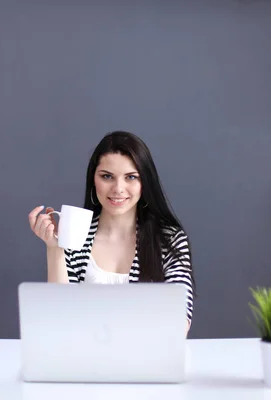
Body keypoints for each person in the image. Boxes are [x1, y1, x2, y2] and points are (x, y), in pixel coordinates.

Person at [28, 131, 195, 332]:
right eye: (107, 176)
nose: (118, 188)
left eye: (131, 177)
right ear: (93, 180)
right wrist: (55, 249)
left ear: (145, 183)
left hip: (145, 359)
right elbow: (59, 319)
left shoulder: (170, 239)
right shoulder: (75, 236)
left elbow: (180, 321)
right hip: (83, 359)